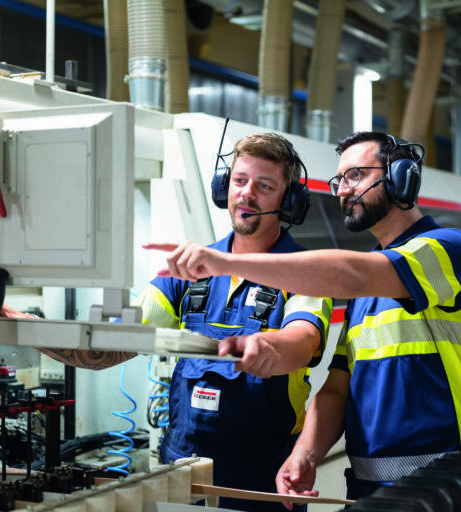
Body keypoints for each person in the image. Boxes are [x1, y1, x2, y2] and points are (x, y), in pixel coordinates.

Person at [145, 131, 461, 505]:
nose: (344, 190)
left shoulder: (452, 249)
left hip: (441, 484)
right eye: (339, 180)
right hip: (368, 487)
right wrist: (305, 455)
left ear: (401, 176)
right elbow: (337, 389)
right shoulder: (367, 294)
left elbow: (352, 276)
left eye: (356, 175)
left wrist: (226, 263)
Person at [140, 132, 332, 512]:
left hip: (263, 476)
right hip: (182, 465)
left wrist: (269, 347)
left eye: (264, 186)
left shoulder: (306, 274)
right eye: (240, 181)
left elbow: (303, 342)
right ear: (224, 187)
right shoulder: (187, 268)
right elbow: (126, 335)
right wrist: (41, 330)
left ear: (288, 201)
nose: (247, 194)